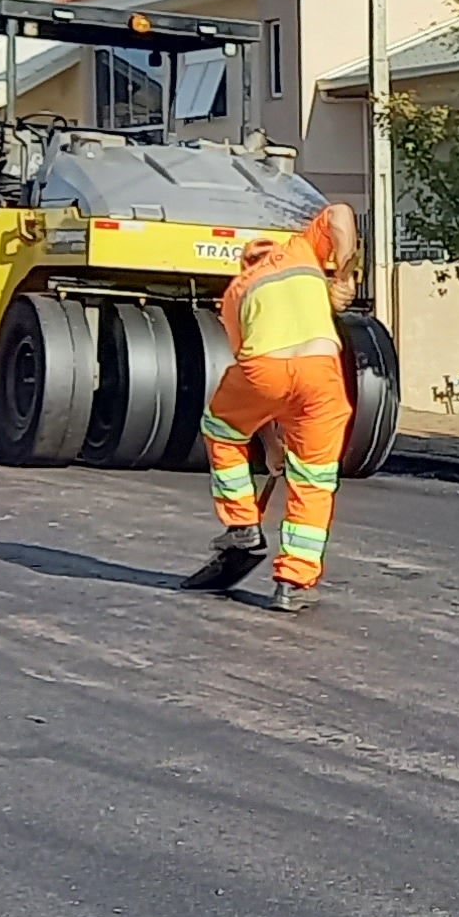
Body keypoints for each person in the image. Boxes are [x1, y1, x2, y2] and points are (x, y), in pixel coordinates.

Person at [183, 202, 361, 612]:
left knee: (221, 429)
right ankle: (292, 583)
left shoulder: (236, 293)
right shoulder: (301, 250)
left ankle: (241, 524)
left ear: (245, 265)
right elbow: (340, 213)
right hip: (321, 373)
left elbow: (257, 381)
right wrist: (343, 275)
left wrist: (268, 445)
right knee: (314, 479)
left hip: (264, 370)